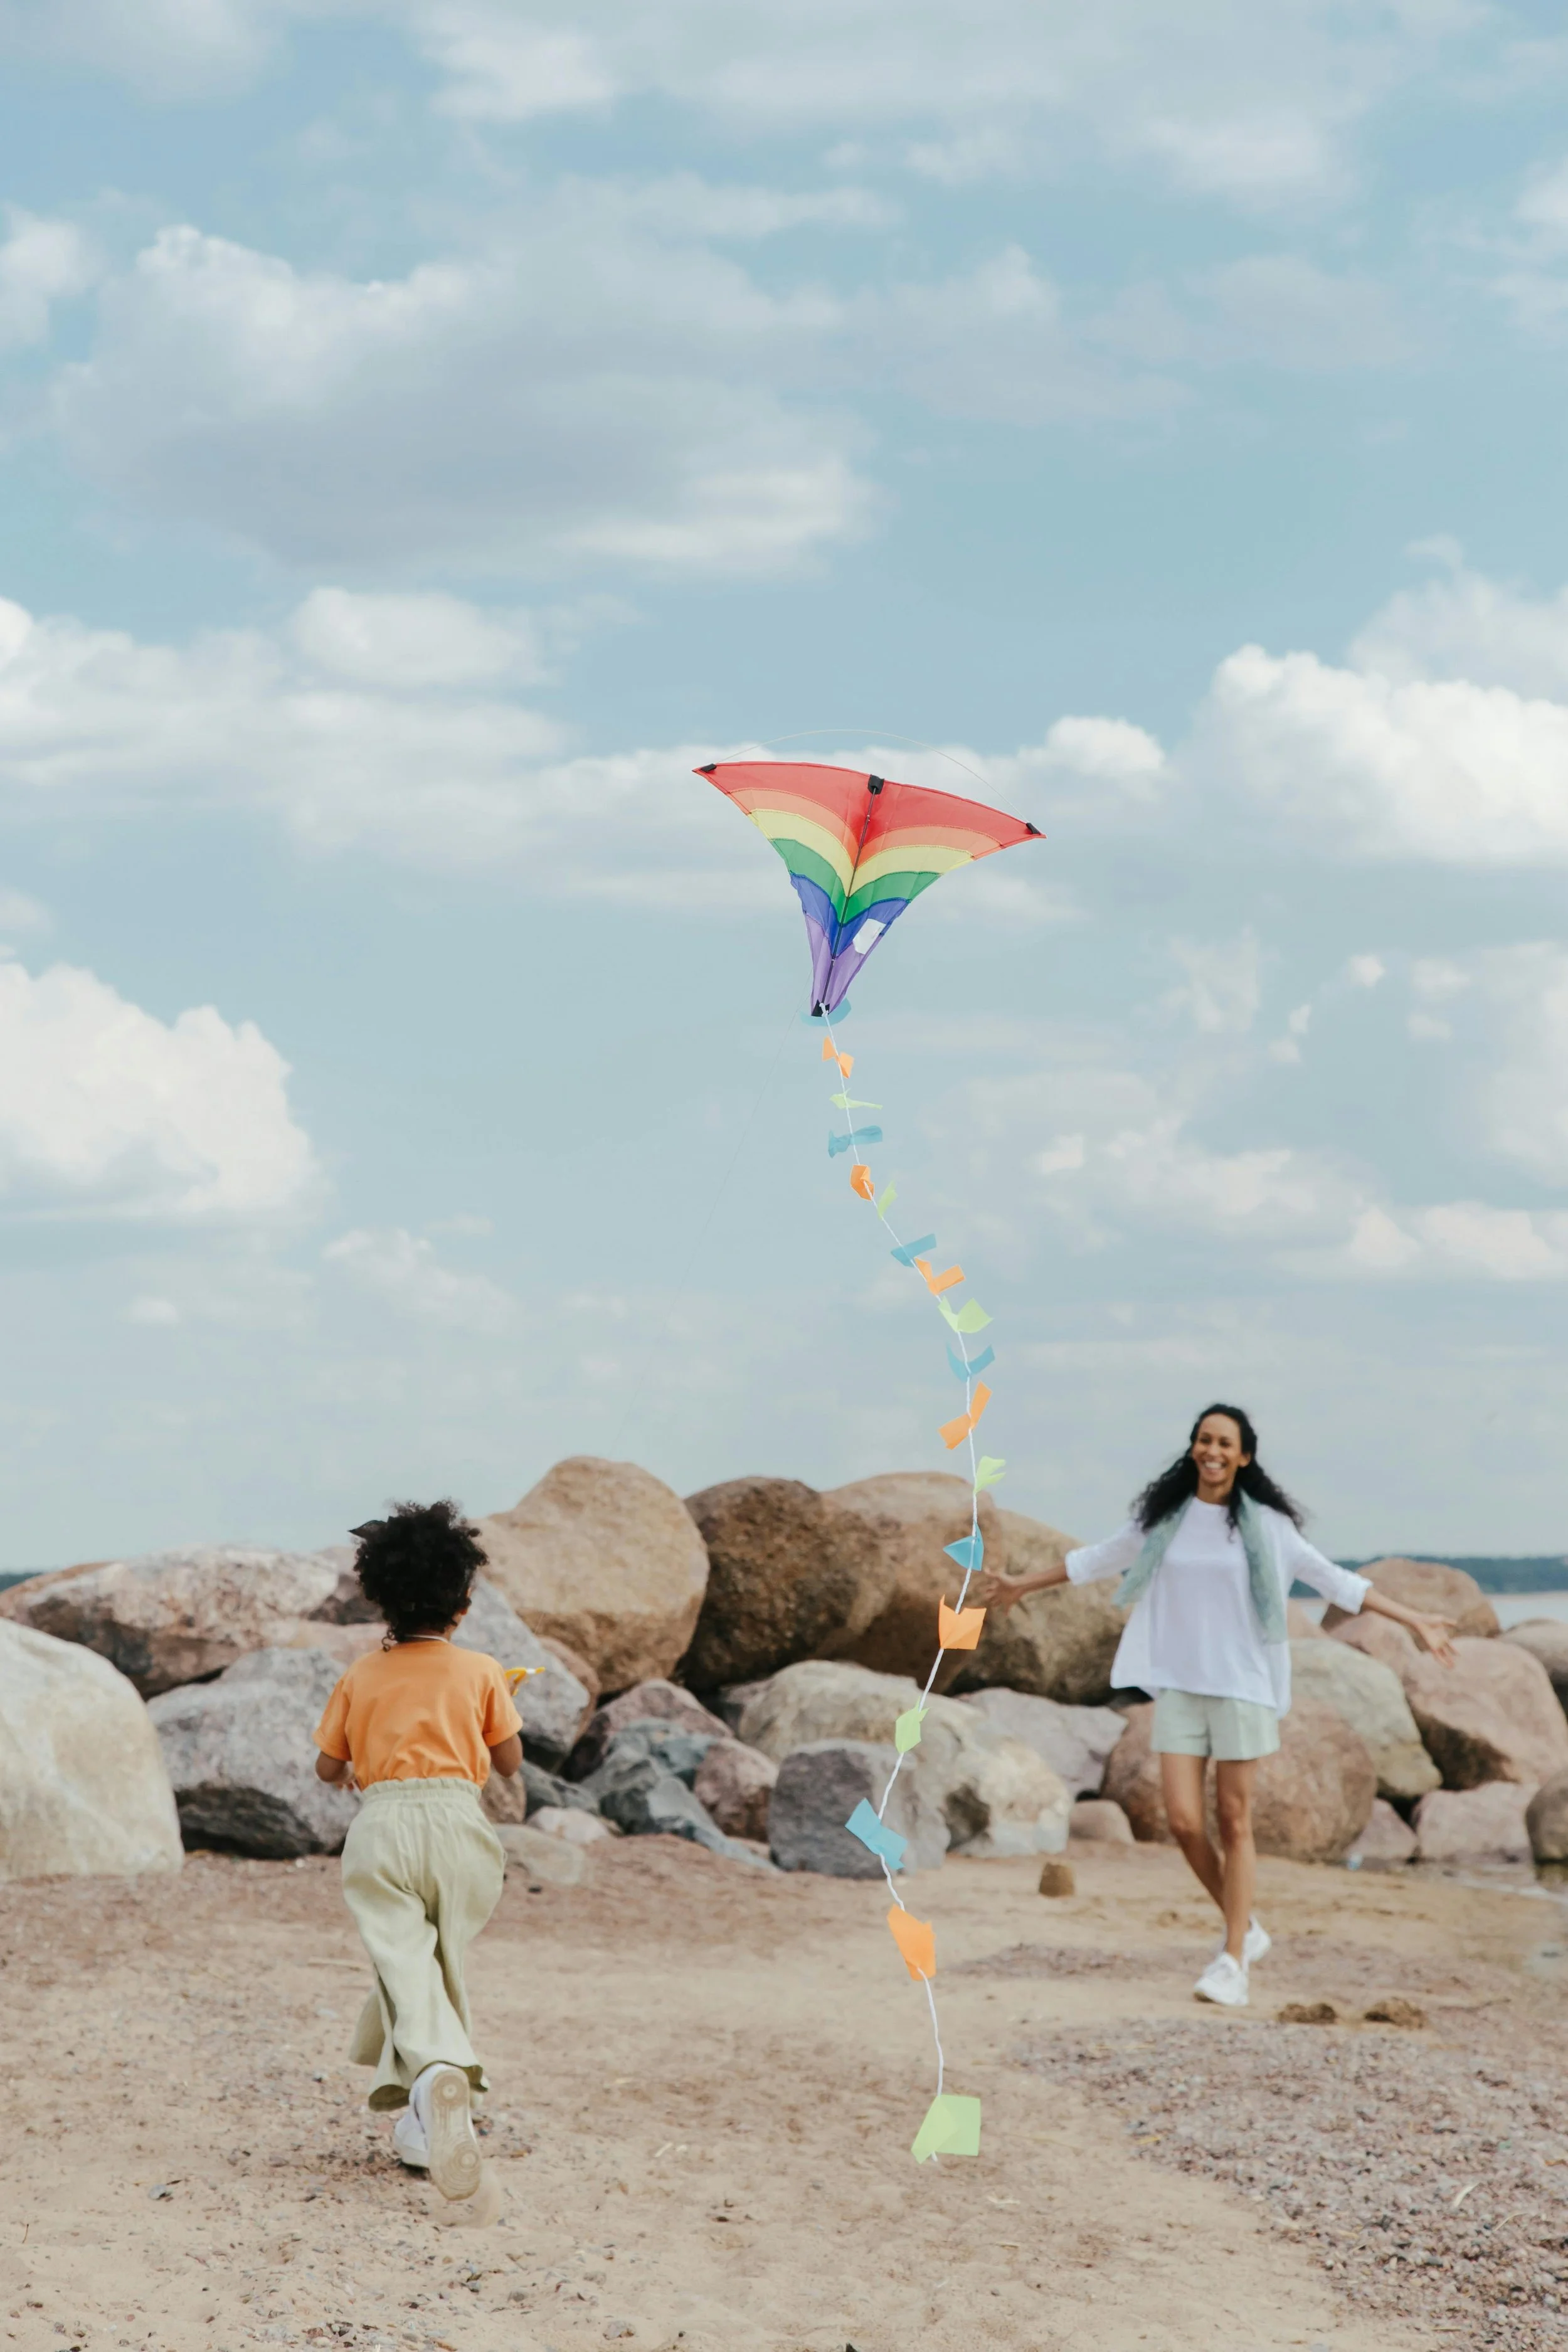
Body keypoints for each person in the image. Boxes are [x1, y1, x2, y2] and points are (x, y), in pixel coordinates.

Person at [970, 1404, 1456, 2009]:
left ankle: (1233, 1961)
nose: (1213, 1451)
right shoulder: (1165, 1520)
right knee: (1181, 1821)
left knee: (1234, 1820)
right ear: (1194, 1448)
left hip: (1244, 1687)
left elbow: (1340, 1583)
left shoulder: (1271, 1528)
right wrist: (1020, 1584)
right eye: (1205, 1440)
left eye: (1225, 1443)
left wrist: (1415, 1621)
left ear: (1244, 1456)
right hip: (1181, 1685)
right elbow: (1097, 1557)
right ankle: (1245, 1925)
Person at [313, 1499, 522, 2201]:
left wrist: (355, 1766)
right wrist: (501, 1700)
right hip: (461, 1830)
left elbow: (326, 1768)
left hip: (384, 1827)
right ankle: (421, 2123)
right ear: (462, 1604)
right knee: (437, 1966)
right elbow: (511, 1761)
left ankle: (436, 2076)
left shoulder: (361, 1675)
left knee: (406, 1964)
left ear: (382, 1601)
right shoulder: (482, 1670)